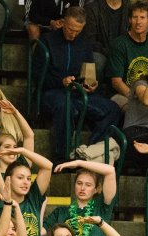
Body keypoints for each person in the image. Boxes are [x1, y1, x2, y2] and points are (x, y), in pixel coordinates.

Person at [40, 6, 122, 160]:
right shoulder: (47, 41)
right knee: (65, 107)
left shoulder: (84, 44)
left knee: (113, 109)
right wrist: (60, 81)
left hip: (78, 92)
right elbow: (38, 77)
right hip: (54, 92)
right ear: (63, 22)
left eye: (78, 31)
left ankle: (91, 152)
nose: (73, 34)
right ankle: (62, 157)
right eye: (70, 29)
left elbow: (87, 72)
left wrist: (90, 85)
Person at [108, 2, 148, 107]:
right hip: (124, 95)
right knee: (141, 111)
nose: (138, 22)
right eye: (135, 17)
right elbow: (116, 82)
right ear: (130, 20)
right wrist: (137, 98)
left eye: (142, 17)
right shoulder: (119, 44)